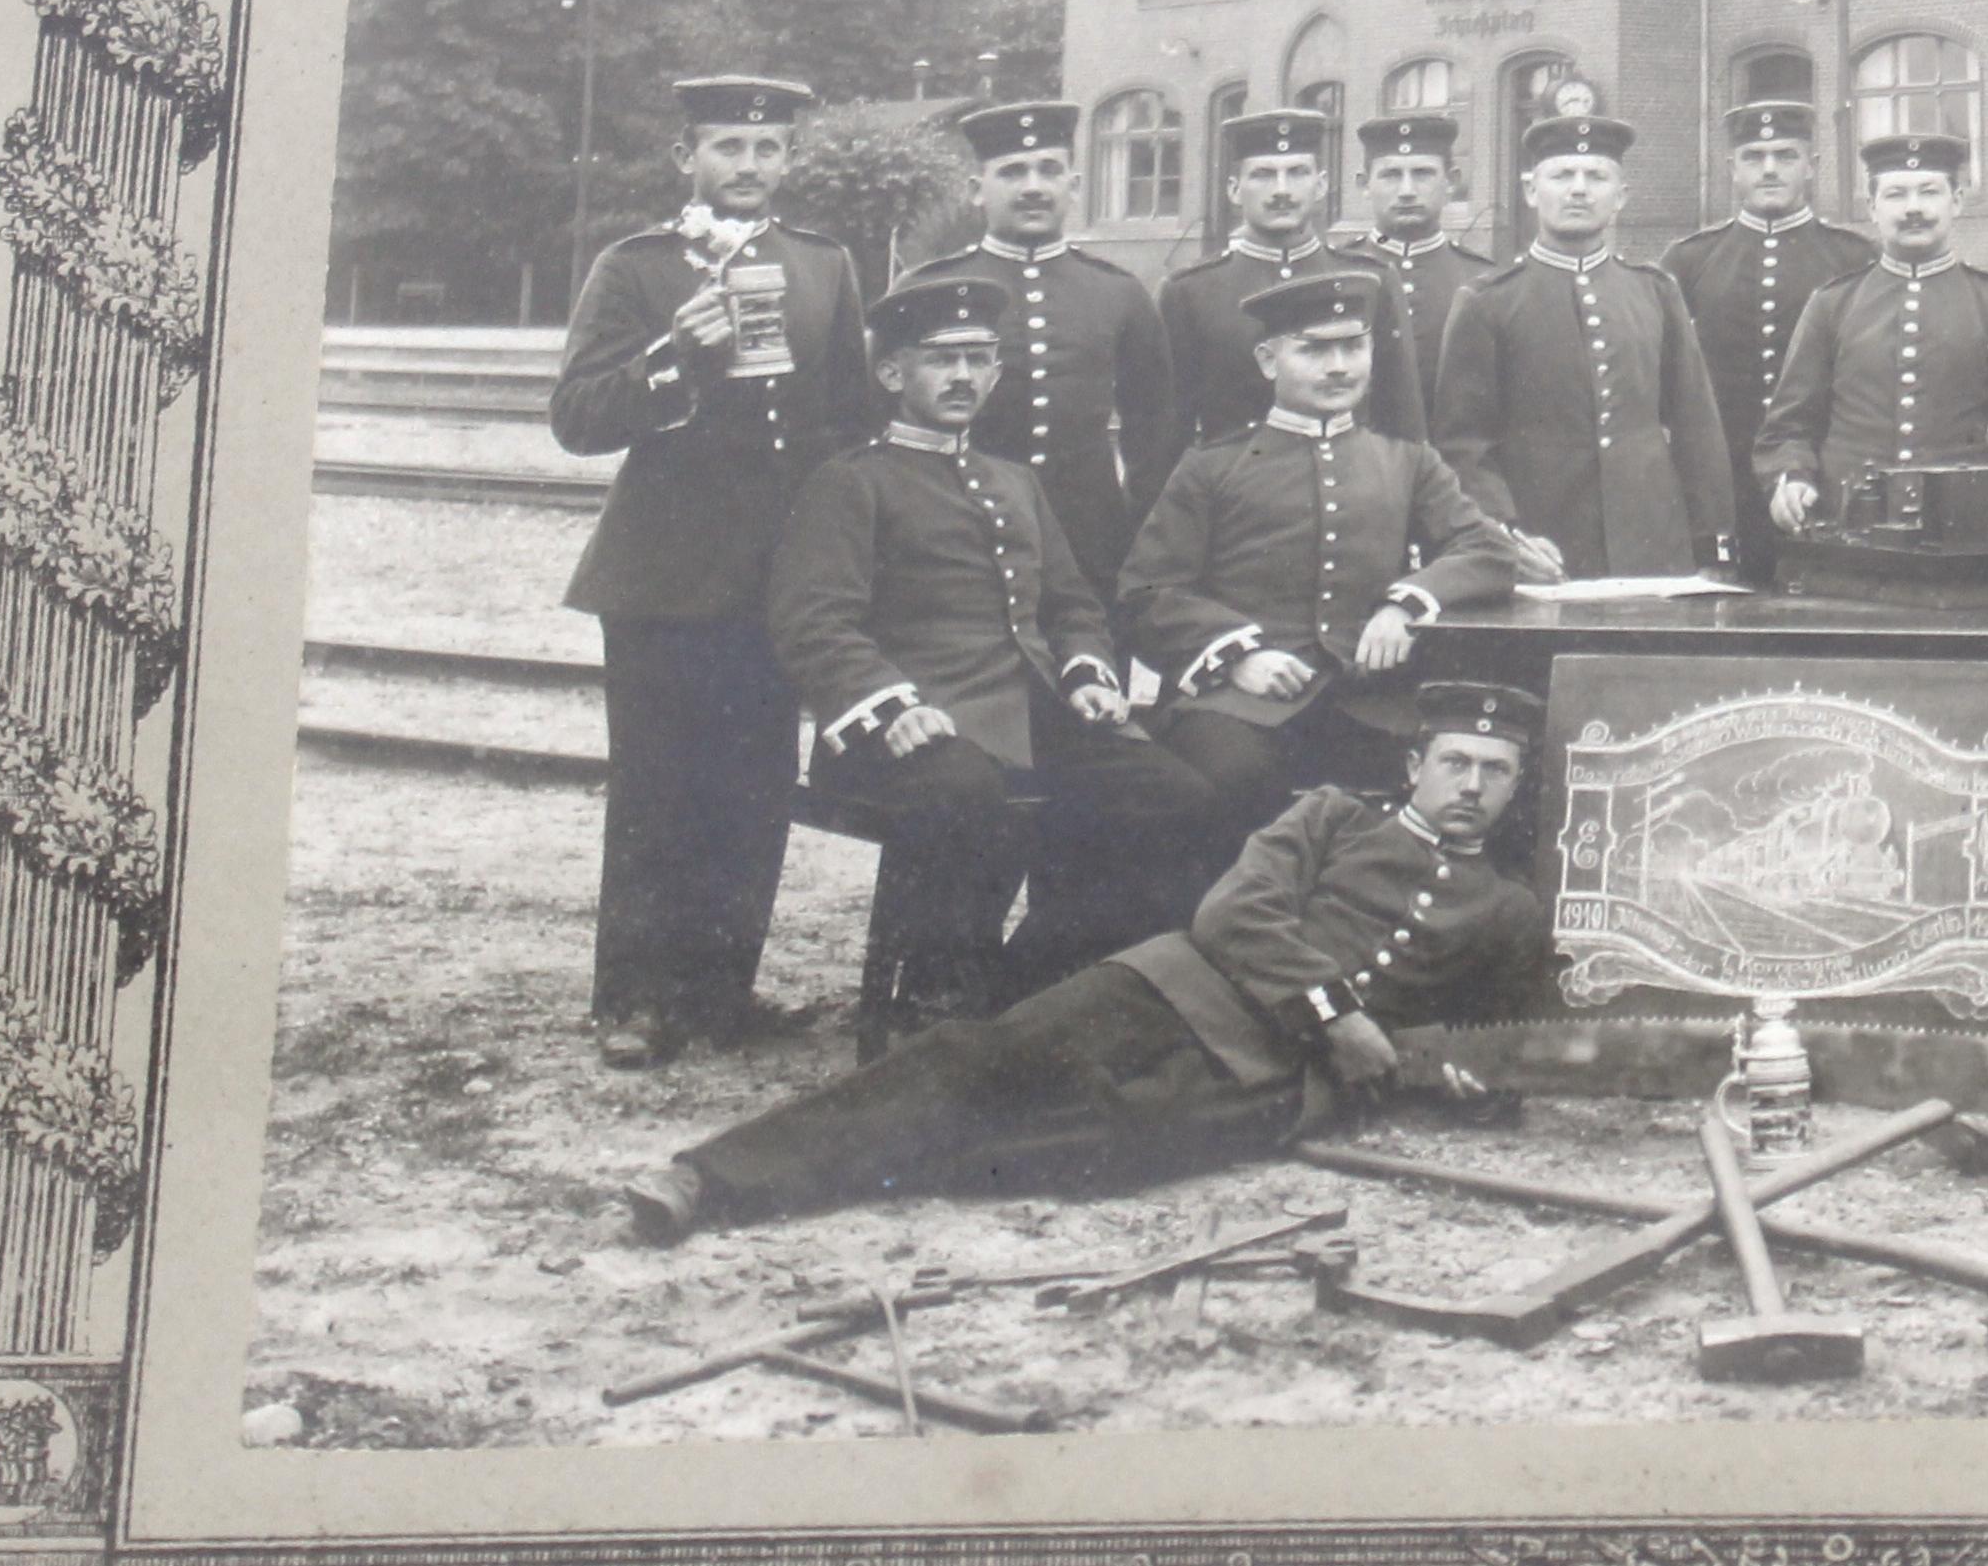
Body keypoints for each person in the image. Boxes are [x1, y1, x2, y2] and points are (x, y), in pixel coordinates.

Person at [616, 682, 1560, 1241]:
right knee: (973, 1065)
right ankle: (711, 1179)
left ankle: (862, 1167)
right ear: (1415, 769)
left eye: (1495, 771)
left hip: (1275, 1078)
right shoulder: (1330, 817)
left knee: (1082, 1152)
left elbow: (1494, 1038)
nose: (1472, 785)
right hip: (1170, 989)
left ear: (1517, 786)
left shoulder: (1508, 909)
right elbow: (1236, 913)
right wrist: (1335, 1012)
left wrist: (1470, 1084)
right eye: (1455, 762)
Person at [768, 277, 1232, 1048]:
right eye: (940, 360)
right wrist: (893, 705)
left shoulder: (1013, 480)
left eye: (979, 359)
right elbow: (814, 621)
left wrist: (1087, 671)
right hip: (903, 733)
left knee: (1175, 796)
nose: (962, 378)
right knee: (965, 793)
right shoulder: (852, 482)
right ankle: (935, 994)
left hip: (1029, 714)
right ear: (892, 375)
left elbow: (1071, 601)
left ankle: (1035, 983)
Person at [550, 73, 873, 1068]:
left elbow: (852, 418)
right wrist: (673, 357)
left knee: (755, 786)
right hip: (660, 576)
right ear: (685, 156)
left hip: (776, 574)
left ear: (788, 161)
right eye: (728, 147)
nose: (748, 166)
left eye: (767, 149)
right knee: (658, 791)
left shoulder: (822, 266)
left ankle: (720, 991)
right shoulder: (639, 266)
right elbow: (576, 418)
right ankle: (637, 1002)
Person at [1116, 271, 1524, 834]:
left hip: (1370, 700)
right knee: (1230, 779)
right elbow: (1146, 592)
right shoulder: (1212, 467)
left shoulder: (1407, 460)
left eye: (1353, 347)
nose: (1339, 367)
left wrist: (1407, 604)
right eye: (1314, 350)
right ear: (1267, 360)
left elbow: (1486, 549)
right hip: (1238, 703)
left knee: (1451, 779)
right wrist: (1238, 656)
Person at [1758, 129, 1988, 568]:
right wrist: (1789, 479)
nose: (1913, 208)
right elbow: (1788, 426)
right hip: (1846, 532)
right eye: (1896, 195)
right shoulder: (1833, 304)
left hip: (1961, 535)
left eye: (1929, 192)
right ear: (1872, 207)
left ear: (1957, 201)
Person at [1427, 110, 1738, 582]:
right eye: (1562, 175)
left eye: (1596, 176)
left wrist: (1712, 546)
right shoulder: (1488, 301)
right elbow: (1464, 444)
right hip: (1542, 549)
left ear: (1620, 197)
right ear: (1531, 191)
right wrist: (1505, 535)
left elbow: (1696, 427)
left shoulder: (1654, 291)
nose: (1578, 189)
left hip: (1653, 544)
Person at [883, 94, 1177, 592]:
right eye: (1013, 172)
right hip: (956, 535)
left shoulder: (1118, 291)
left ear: (1075, 185)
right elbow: (884, 423)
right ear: (977, 190)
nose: (1034, 187)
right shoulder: (924, 289)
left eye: (1049, 170)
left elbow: (1153, 430)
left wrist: (1138, 534)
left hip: (1091, 541)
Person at [1660, 95, 1876, 576]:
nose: (1770, 170)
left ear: (1812, 166)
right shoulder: (1690, 261)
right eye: (1754, 158)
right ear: (1731, 169)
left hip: (1820, 477)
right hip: (1721, 482)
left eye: (1786, 156)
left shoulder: (1854, 257)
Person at [1155, 108, 1411, 447]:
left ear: (1320, 185)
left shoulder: (1369, 279)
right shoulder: (1190, 292)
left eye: (1297, 173)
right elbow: (1167, 434)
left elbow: (1401, 423)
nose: (1281, 190)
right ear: (1234, 190)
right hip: (1231, 491)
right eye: (1263, 175)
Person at [1340, 109, 1503, 409]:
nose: (1406, 191)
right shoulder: (1337, 271)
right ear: (1364, 184)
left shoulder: (1484, 280)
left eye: (1422, 174)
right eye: (1391, 175)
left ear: (1452, 180)